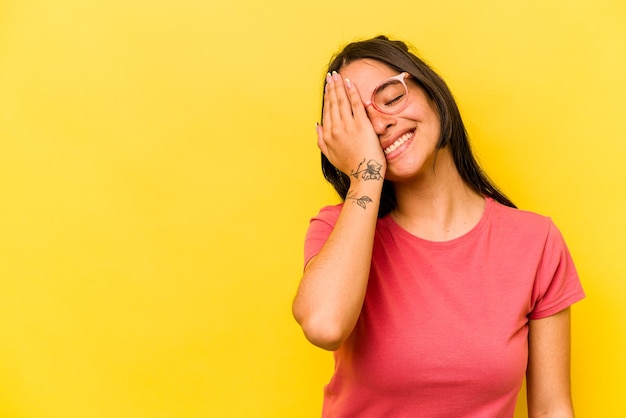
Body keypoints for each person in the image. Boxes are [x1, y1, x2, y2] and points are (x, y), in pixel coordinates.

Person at [292, 35, 585, 417]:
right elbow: (324, 325)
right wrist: (366, 175)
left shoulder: (535, 242)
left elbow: (552, 410)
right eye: (359, 122)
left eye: (391, 97)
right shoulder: (337, 230)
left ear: (431, 90)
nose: (380, 124)